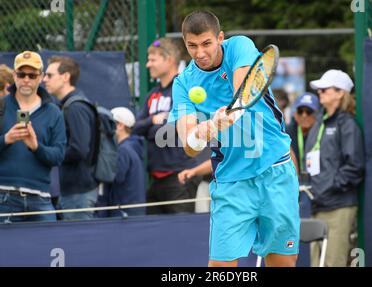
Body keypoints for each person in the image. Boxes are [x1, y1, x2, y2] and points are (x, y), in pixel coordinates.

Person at [167, 10, 300, 267]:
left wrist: (229, 114)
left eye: (206, 43)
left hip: (275, 170)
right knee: (220, 267)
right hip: (230, 181)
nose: (200, 53)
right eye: (192, 46)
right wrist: (206, 129)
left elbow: (243, 95)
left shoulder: (240, 46)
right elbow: (189, 147)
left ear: (220, 37)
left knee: (281, 262)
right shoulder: (182, 83)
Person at [0, 51, 66, 223]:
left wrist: (36, 147)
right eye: (21, 74)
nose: (26, 79)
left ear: (41, 77)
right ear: (14, 75)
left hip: (41, 197)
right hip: (2, 196)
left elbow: (58, 156)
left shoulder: (54, 112)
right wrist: (6, 139)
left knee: (46, 249)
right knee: (3, 250)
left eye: (32, 74)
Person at [132, 37, 201, 215]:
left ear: (169, 60)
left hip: (180, 176)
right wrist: (153, 120)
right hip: (155, 177)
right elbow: (135, 127)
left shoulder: (185, 90)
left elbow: (170, 132)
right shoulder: (152, 94)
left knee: (182, 236)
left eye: (153, 59)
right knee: (155, 238)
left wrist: (153, 127)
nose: (148, 65)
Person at [306, 69, 365, 267]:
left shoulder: (347, 125)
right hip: (318, 205)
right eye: (319, 89)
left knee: (333, 264)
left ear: (341, 93)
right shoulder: (318, 123)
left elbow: (354, 166)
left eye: (325, 89)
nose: (320, 92)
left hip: (338, 206)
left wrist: (330, 188)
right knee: (316, 264)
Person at [43, 56, 98, 220]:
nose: (44, 79)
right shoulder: (68, 105)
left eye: (49, 75)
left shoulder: (75, 107)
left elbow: (80, 149)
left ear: (66, 77)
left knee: (80, 244)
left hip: (78, 192)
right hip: (72, 191)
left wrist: (50, 154)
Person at [104, 107, 145, 217]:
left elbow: (117, 177)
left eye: (110, 123)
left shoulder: (123, 150)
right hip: (131, 212)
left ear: (120, 125)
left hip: (124, 213)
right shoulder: (131, 146)